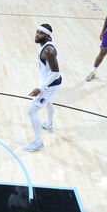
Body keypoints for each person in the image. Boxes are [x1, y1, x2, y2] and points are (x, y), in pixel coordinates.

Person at [25, 24, 62, 152]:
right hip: (51, 83)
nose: (37, 35)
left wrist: (40, 88)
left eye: (41, 33)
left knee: (32, 111)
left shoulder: (48, 51)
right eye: (37, 32)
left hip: (49, 86)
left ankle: (38, 142)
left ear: (47, 35)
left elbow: (56, 73)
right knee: (49, 102)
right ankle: (49, 125)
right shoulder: (45, 45)